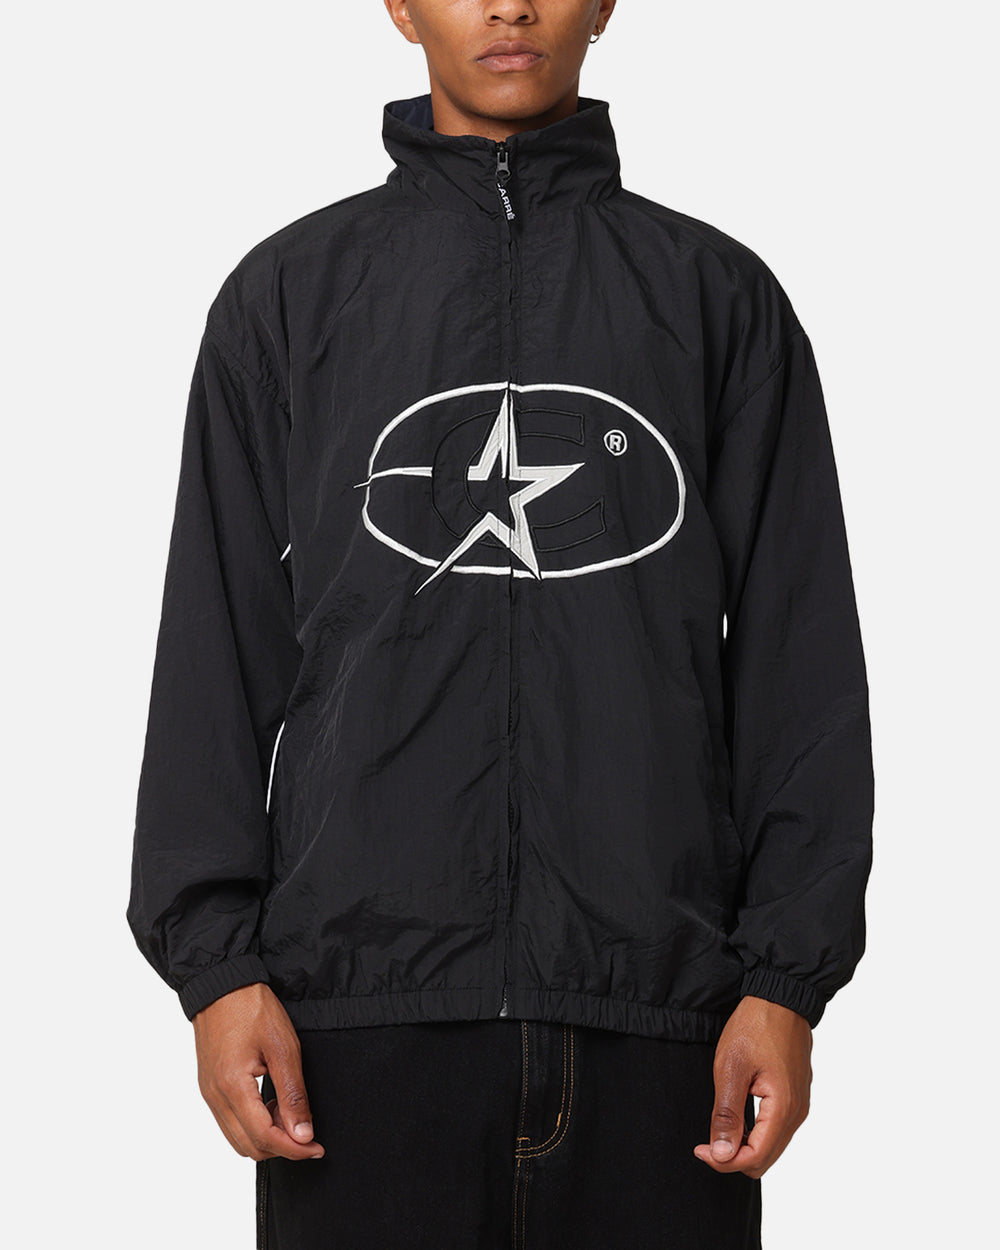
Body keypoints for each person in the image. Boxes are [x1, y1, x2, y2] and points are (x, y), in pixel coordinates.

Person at [126, 2, 874, 1246]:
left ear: (606, 3)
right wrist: (216, 972)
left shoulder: (718, 299)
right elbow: (213, 650)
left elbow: (799, 666)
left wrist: (784, 982)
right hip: (354, 1034)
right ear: (399, 6)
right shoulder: (287, 297)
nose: (510, 4)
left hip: (662, 1026)